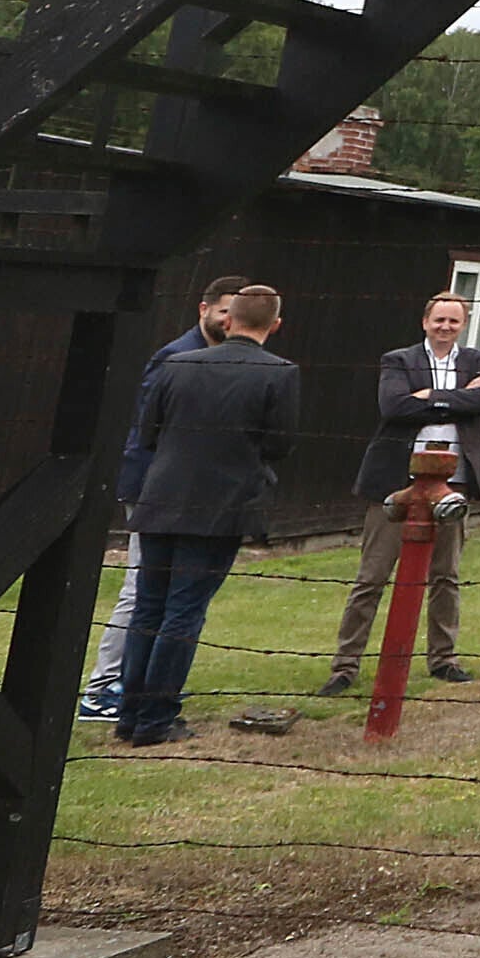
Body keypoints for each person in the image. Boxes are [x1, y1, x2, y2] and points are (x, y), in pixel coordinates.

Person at [115, 282, 299, 746]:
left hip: (160, 497)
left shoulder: (177, 364)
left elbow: (149, 432)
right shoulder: (280, 374)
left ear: (228, 318)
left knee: (148, 607)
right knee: (183, 611)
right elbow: (280, 444)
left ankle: (130, 714)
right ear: (275, 325)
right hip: (221, 506)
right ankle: (156, 718)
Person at [77, 275, 243, 722]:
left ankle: (142, 683)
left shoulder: (224, 360)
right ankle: (102, 688)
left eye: (238, 312)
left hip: (190, 495)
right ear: (203, 310)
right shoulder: (174, 356)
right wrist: (147, 490)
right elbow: (145, 430)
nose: (231, 320)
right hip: (155, 489)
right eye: (225, 309)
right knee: (140, 590)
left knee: (166, 595)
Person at [321, 290, 480, 693]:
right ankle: (345, 665)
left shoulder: (477, 361)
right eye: (439, 320)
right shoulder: (399, 360)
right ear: (425, 322)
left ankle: (443, 658)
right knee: (371, 576)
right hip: (396, 481)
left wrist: (432, 397)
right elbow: (394, 407)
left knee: (446, 575)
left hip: (453, 483)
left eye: (454, 321)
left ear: (463, 325)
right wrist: (459, 399)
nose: (445, 327)